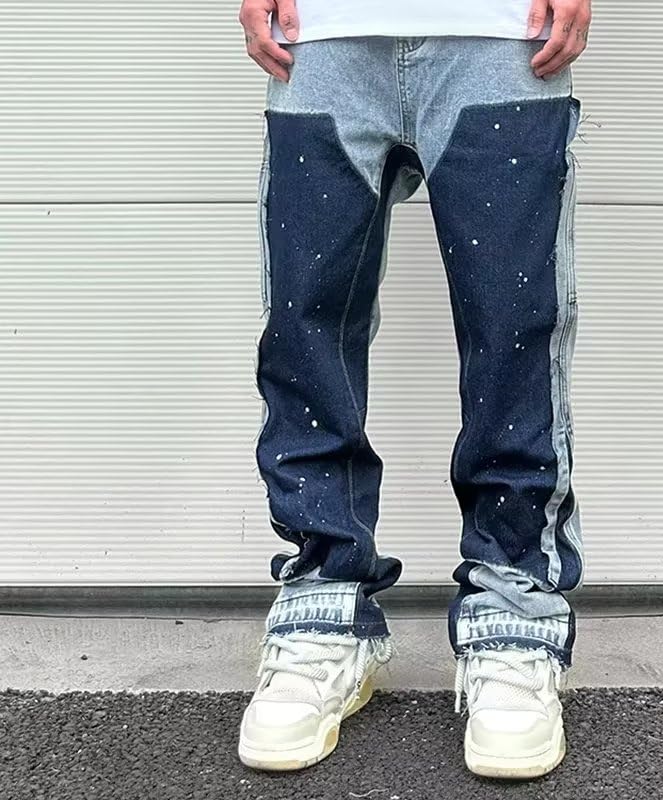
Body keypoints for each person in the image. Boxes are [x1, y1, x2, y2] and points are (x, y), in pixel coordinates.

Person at [237, 0, 591, 780]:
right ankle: (324, 611)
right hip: (321, 35)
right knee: (304, 325)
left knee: (514, 328)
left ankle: (514, 614)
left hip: (504, 35)